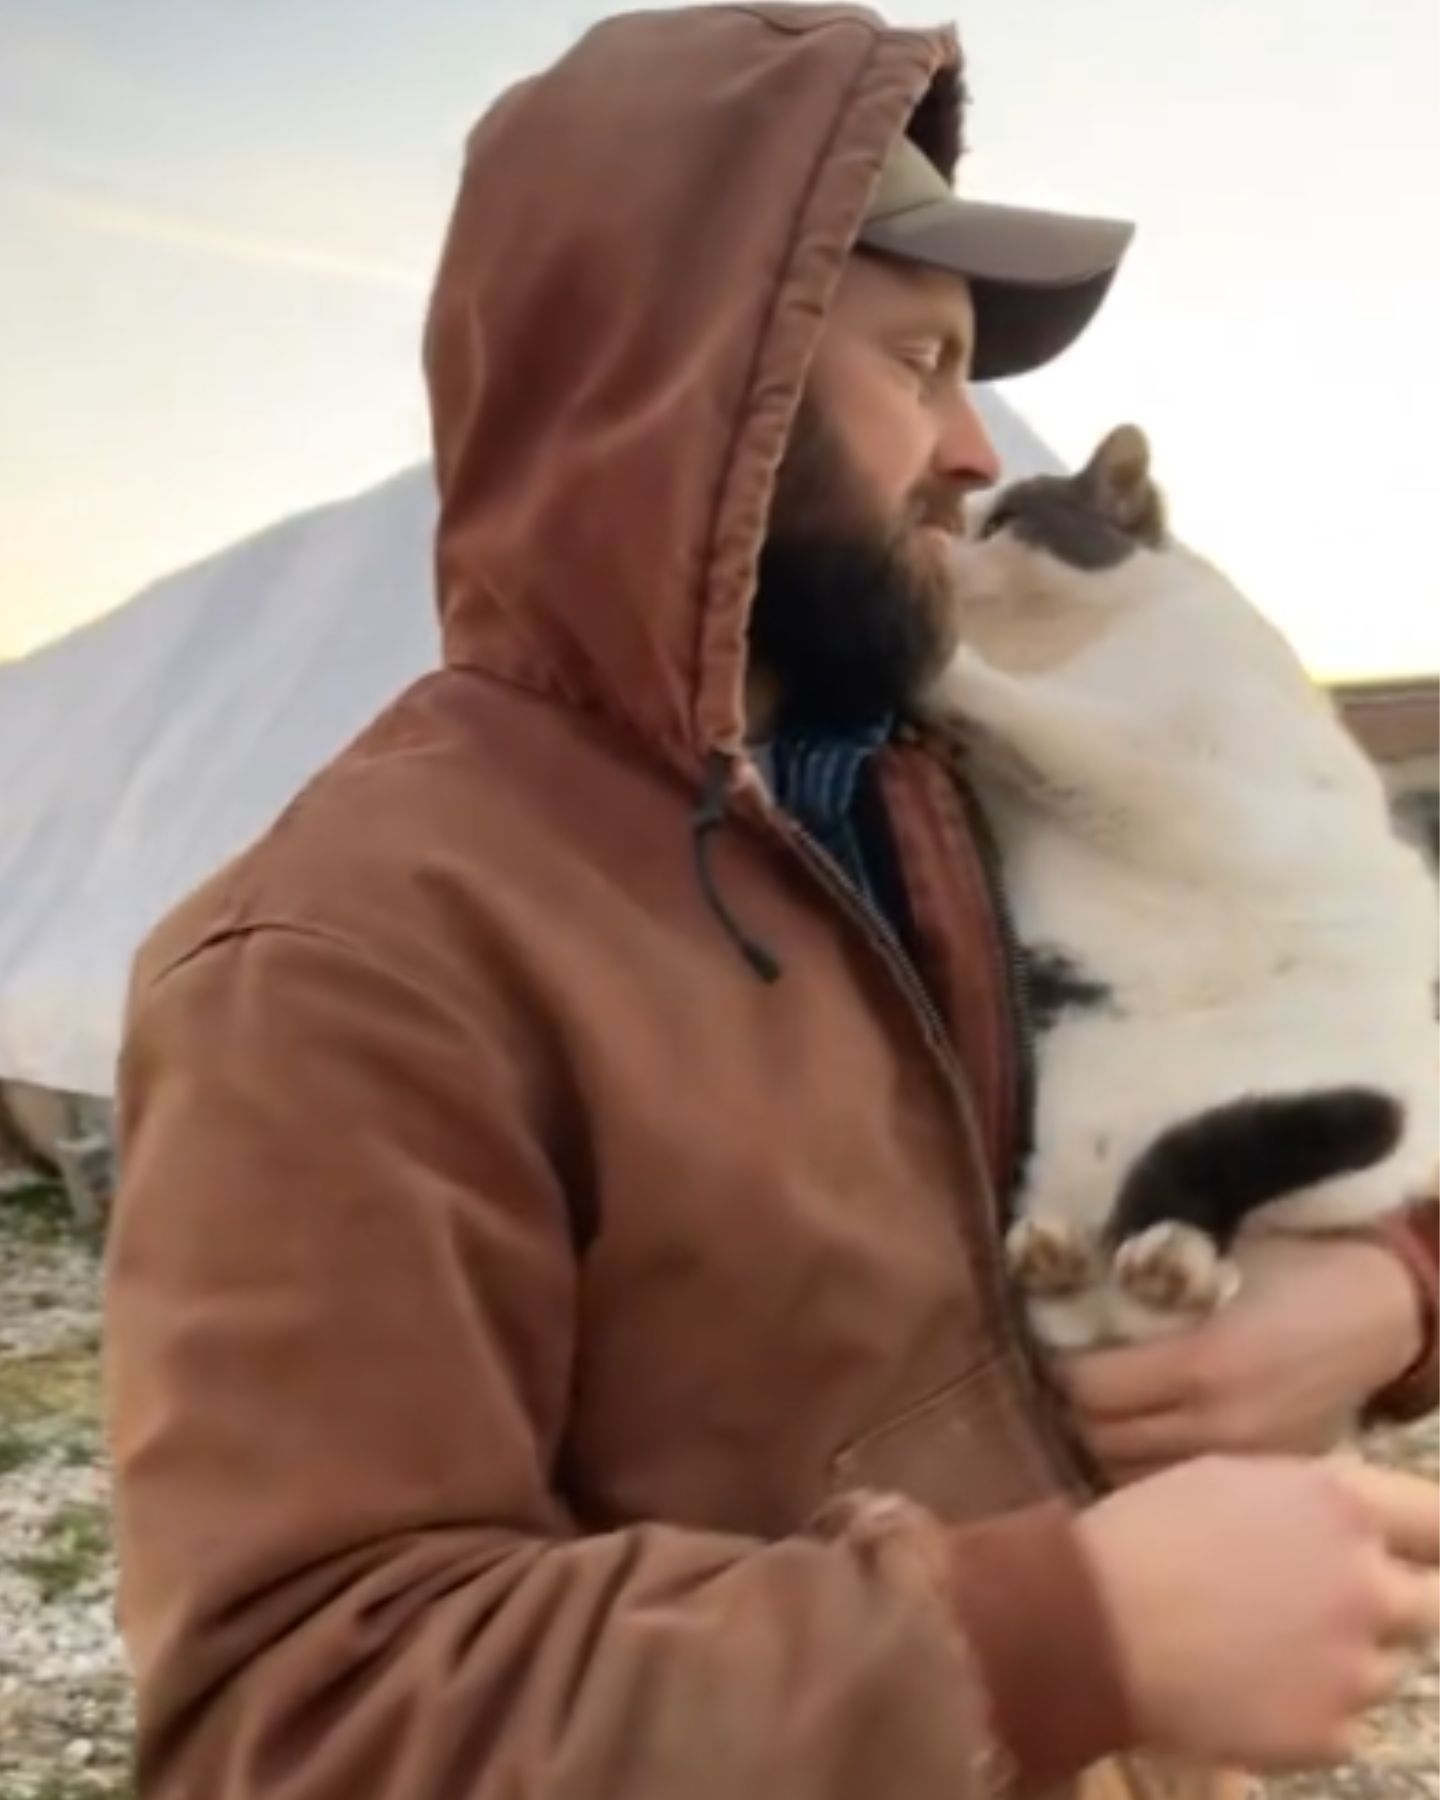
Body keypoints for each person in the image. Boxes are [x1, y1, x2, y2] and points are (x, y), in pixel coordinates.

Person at [105, 7, 1439, 1797]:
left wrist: (1387, 1292)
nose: (977, 453)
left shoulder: (970, 790)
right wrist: (1058, 1640)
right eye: (922, 362)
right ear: (695, 394)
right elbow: (307, 1717)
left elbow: (1343, 1007)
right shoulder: (347, 959)